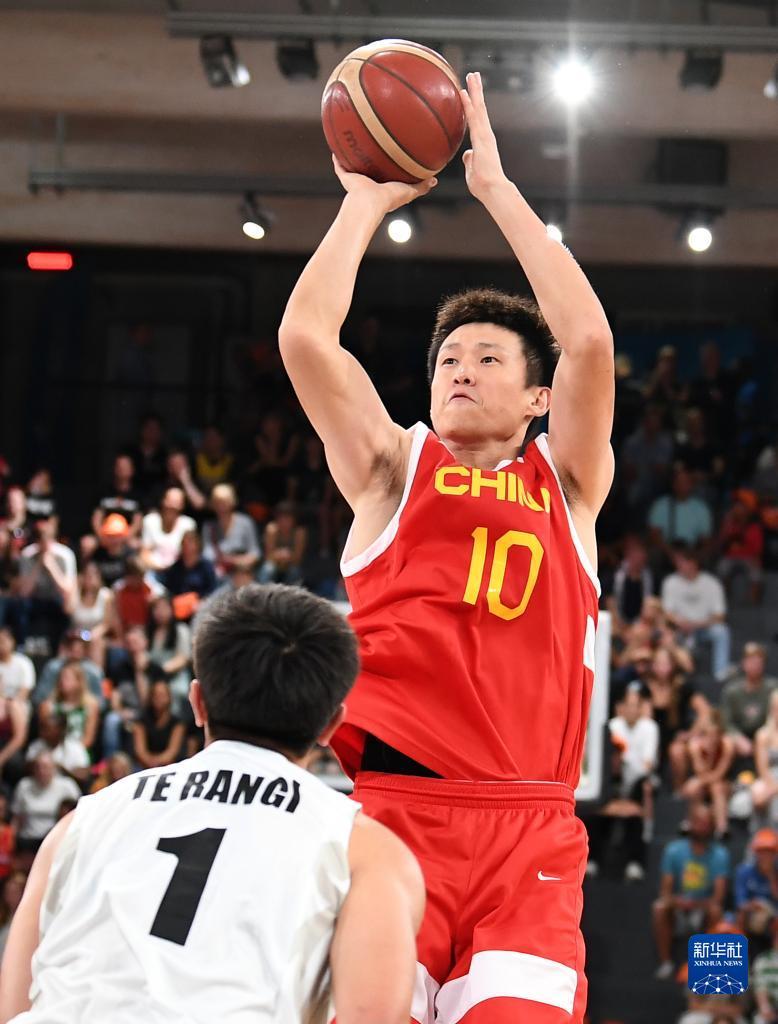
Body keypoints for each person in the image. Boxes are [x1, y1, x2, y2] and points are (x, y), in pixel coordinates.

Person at [279, 71, 613, 1022]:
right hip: (393, 817)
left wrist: (497, 192)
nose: (461, 370)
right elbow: (306, 339)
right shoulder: (392, 470)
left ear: (538, 397)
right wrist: (363, 204)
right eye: (448, 360)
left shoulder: (568, 486)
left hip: (530, 830)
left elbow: (589, 343)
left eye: (487, 358)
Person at [0, 584, 424, 1024]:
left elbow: (13, 1004)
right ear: (332, 725)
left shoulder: (81, 821)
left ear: (197, 702)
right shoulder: (366, 850)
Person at [652, 802, 730, 981]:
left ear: (712, 826)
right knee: (659, 907)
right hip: (678, 906)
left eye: (706, 823)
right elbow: (665, 891)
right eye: (698, 822)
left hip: (703, 907)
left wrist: (695, 904)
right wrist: (678, 902)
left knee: (716, 911)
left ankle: (708, 965)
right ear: (689, 823)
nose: (701, 828)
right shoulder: (674, 850)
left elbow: (718, 897)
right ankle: (665, 962)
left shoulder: (720, 854)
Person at [661, 544, 731, 680]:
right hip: (678, 629)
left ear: (693, 563)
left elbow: (720, 616)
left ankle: (721, 674)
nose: (678, 565)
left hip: (703, 629)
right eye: (677, 562)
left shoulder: (712, 583)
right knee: (664, 632)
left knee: (721, 631)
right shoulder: (670, 582)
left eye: (682, 562)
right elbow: (667, 613)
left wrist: (695, 625)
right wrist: (681, 623)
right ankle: (670, 675)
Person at [10, 751, 81, 857]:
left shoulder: (67, 786)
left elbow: (79, 813)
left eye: (45, 767)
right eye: (37, 767)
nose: (41, 771)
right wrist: (11, 843)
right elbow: (16, 818)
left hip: (57, 840)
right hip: (28, 841)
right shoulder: (24, 786)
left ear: (54, 769)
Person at [720, 642, 778, 761]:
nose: (755, 666)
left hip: (766, 732)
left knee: (765, 738)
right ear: (743, 663)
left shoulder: (773, 688)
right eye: (751, 661)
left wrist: (766, 733)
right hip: (740, 735)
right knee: (727, 742)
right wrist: (737, 737)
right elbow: (726, 721)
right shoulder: (732, 691)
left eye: (758, 662)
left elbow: (775, 715)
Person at [682, 710, 735, 840]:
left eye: (714, 734)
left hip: (723, 783)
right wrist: (708, 754)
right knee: (693, 788)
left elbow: (720, 773)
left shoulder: (727, 744)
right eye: (707, 734)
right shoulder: (694, 746)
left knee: (716, 787)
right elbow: (700, 771)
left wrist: (710, 755)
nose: (711, 738)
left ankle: (722, 828)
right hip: (704, 782)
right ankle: (690, 822)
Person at [38, 659, 100, 754]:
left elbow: (88, 738)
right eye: (61, 677)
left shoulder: (91, 705)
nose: (62, 681)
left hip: (79, 750)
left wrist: (72, 751)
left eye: (67, 678)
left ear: (79, 682)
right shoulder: (47, 706)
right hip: (52, 747)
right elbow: (44, 734)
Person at [201, 484, 260, 576]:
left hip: (241, 573)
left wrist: (234, 560)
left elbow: (255, 554)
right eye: (217, 502)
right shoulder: (208, 527)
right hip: (218, 574)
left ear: (232, 502)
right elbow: (207, 554)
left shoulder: (245, 523)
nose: (220, 506)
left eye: (224, 502)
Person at [734, 828, 778, 943]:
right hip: (751, 914)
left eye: (769, 852)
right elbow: (740, 903)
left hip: (774, 917)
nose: (765, 856)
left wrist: (771, 877)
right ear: (755, 853)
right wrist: (753, 905)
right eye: (761, 852)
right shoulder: (744, 872)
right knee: (740, 916)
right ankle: (742, 949)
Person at [132, 679, 186, 770]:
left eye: (162, 695)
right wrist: (151, 762)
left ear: (169, 697)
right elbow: (140, 751)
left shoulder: (178, 723)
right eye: (156, 695)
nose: (159, 698)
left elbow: (172, 752)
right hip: (144, 766)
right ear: (151, 697)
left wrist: (157, 762)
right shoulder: (140, 722)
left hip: (170, 765)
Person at [141, 488, 197, 573]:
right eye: (170, 502)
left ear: (182, 505)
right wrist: (159, 569)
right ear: (163, 501)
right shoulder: (150, 520)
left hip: (180, 572)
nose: (172, 506)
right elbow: (144, 553)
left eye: (176, 503)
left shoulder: (188, 524)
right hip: (152, 571)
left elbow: (191, 555)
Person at [69, 562, 114, 669]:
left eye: (93, 575)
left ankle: (96, 676)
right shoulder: (75, 593)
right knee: (74, 645)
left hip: (96, 636)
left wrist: (92, 635)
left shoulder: (106, 595)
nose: (90, 578)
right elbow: (68, 609)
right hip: (76, 635)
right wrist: (75, 586)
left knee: (96, 644)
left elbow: (106, 624)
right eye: (87, 575)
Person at [91, 454, 143, 542]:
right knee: (87, 543)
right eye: (119, 467)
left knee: (137, 544)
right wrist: (103, 538)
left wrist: (123, 540)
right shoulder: (104, 492)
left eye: (125, 467)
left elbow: (138, 522)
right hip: (105, 536)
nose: (121, 469)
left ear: (132, 470)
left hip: (127, 538)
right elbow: (96, 518)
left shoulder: (138, 495)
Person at [259, 502, 307, 586]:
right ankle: (263, 591)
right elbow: (268, 556)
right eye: (281, 519)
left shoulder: (299, 532)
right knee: (267, 569)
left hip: (292, 564)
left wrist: (288, 557)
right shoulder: (272, 530)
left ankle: (292, 592)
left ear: (294, 520)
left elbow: (298, 558)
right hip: (274, 563)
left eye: (287, 519)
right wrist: (280, 555)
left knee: (295, 571)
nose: (284, 522)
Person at [752, 689, 778, 823]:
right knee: (759, 794)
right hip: (770, 778)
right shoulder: (762, 735)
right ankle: (763, 831)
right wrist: (773, 787)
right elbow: (762, 768)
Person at [753, 917, 778, 1024]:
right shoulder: (764, 960)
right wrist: (765, 1009)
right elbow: (761, 989)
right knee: (760, 1019)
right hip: (774, 1009)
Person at [0, 627, 35, 705]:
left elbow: (25, 690)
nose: (0, 645)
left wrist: (10, 703)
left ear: (12, 641)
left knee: (14, 705)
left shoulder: (24, 662)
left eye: (2, 641)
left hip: (19, 704)